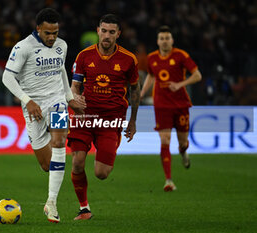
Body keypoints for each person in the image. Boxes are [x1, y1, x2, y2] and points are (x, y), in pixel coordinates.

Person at [2, 8, 85, 223]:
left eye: (55, 33)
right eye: (47, 33)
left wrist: (68, 98)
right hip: (33, 106)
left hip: (56, 101)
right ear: (38, 29)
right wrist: (27, 100)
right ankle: (52, 193)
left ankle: (51, 203)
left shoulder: (62, 46)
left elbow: (61, 71)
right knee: (47, 165)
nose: (52, 37)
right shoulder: (23, 47)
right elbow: (7, 78)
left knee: (59, 141)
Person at [68, 14, 140, 220]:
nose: (106, 36)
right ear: (98, 30)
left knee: (101, 173)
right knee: (77, 162)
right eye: (103, 31)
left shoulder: (129, 59)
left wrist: (133, 121)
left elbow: (135, 90)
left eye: (111, 32)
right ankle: (84, 209)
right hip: (85, 115)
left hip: (111, 119)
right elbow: (75, 85)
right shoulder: (84, 56)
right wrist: (74, 98)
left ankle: (103, 155)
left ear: (118, 34)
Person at [140, 25, 202, 192]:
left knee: (183, 142)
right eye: (162, 38)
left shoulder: (181, 55)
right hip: (161, 104)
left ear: (172, 40)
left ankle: (183, 152)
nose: (165, 41)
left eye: (167, 38)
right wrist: (141, 93)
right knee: (165, 139)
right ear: (158, 41)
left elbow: (197, 75)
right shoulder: (152, 58)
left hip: (181, 104)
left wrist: (180, 84)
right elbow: (151, 76)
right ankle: (168, 180)